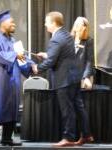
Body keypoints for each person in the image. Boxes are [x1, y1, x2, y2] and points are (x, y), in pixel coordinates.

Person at [0, 10, 34, 146]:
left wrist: (32, 65)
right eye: (11, 22)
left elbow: (22, 57)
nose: (14, 24)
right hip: (0, 76)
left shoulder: (13, 41)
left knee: (13, 105)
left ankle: (7, 138)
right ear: (3, 23)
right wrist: (14, 55)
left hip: (14, 76)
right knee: (0, 104)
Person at [32, 11, 80, 147]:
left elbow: (51, 61)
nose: (44, 24)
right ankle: (74, 136)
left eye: (46, 22)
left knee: (67, 110)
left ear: (53, 23)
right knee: (71, 109)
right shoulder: (66, 35)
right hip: (72, 78)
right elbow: (61, 55)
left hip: (64, 79)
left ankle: (68, 138)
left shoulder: (56, 38)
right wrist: (47, 54)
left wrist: (37, 69)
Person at [70, 17, 94, 145]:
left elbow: (90, 61)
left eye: (81, 25)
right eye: (77, 24)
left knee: (78, 105)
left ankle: (85, 134)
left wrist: (85, 77)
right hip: (70, 76)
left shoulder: (89, 41)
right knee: (76, 105)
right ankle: (84, 134)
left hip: (82, 76)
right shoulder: (69, 39)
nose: (78, 27)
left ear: (85, 27)